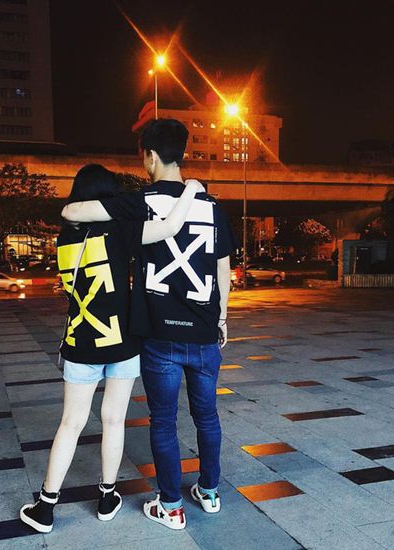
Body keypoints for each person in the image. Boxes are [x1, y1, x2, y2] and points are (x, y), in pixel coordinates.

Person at [62, 119, 237, 530]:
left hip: (160, 334)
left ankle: (171, 505)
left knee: (163, 421)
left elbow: (73, 211)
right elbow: (223, 268)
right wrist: (222, 317)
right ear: (182, 153)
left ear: (151, 156)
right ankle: (210, 492)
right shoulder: (212, 206)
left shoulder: (138, 202)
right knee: (207, 416)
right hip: (203, 331)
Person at [19, 163, 204, 533]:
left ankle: (46, 506)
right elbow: (170, 227)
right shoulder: (120, 230)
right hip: (123, 343)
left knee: (71, 423)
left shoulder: (64, 237)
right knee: (114, 420)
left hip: (81, 342)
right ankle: (107, 497)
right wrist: (191, 190)